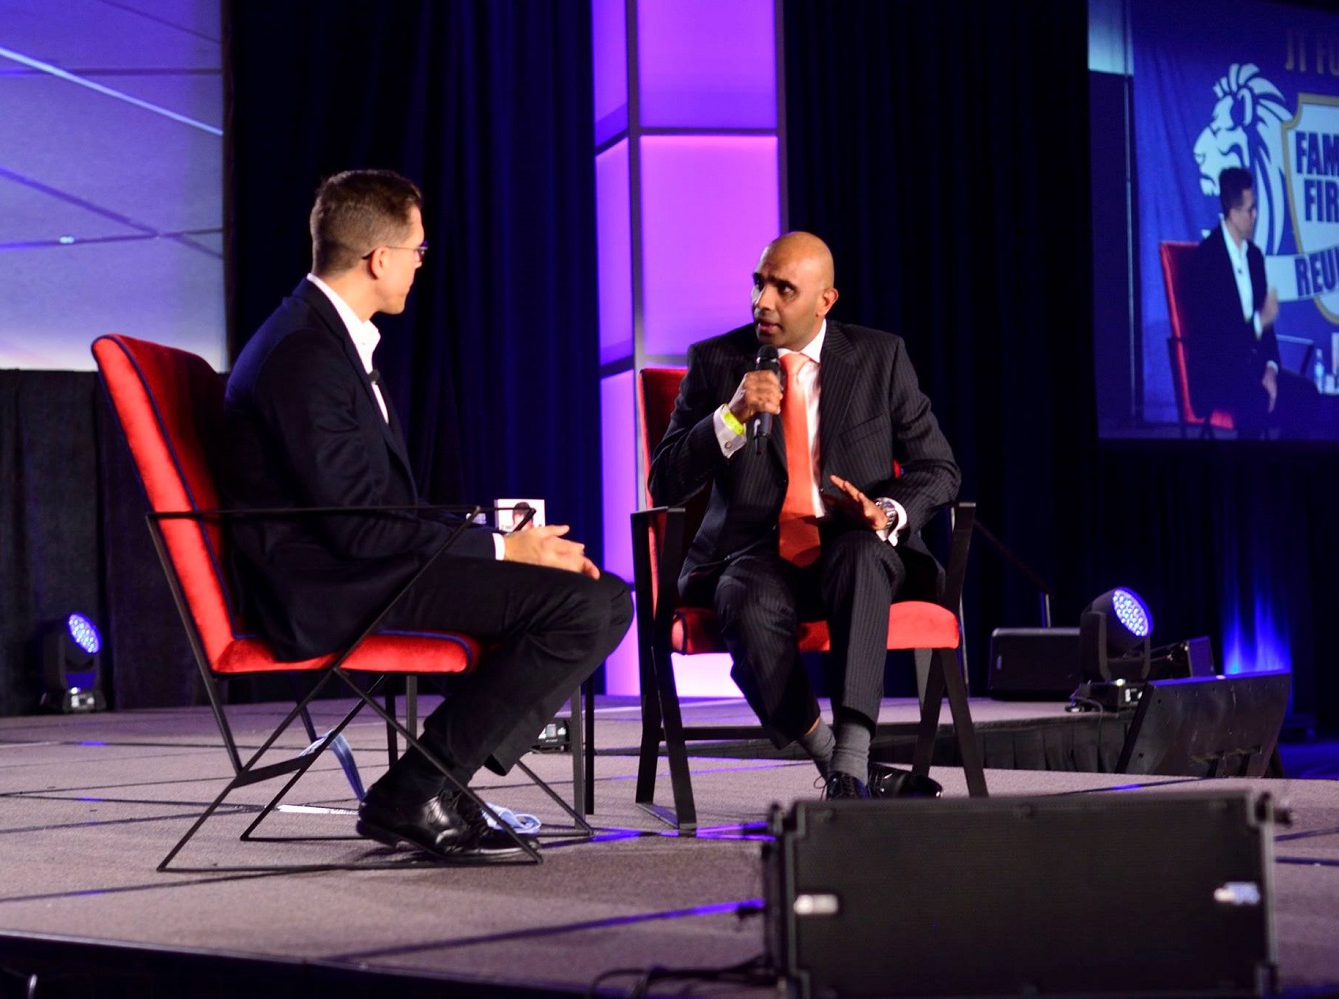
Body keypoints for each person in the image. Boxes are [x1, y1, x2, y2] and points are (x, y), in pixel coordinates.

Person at [221, 170, 631, 861]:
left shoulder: (323, 336)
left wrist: (501, 542)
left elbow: (370, 512)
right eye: (418, 249)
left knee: (601, 597)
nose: (420, 263)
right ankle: (420, 787)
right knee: (587, 607)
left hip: (363, 565)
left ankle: (437, 782)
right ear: (379, 259)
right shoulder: (304, 355)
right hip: (330, 586)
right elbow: (356, 527)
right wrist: (504, 550)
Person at [647, 232, 960, 800]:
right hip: (755, 554)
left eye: (783, 289)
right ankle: (843, 768)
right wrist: (730, 417)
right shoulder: (717, 361)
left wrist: (886, 512)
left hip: (853, 545)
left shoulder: (879, 357)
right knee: (743, 597)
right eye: (758, 284)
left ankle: (853, 758)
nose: (762, 302)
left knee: (862, 556)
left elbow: (938, 468)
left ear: (825, 300)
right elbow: (664, 482)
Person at [1185, 167, 1318, 437]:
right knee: (1256, 400)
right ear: (1233, 214)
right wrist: (1259, 322)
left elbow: (1267, 332)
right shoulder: (1206, 260)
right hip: (1218, 372)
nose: (1255, 215)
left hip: (1254, 369)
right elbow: (1217, 336)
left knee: (1307, 394)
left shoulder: (1254, 257)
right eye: (1250, 210)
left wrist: (1271, 368)